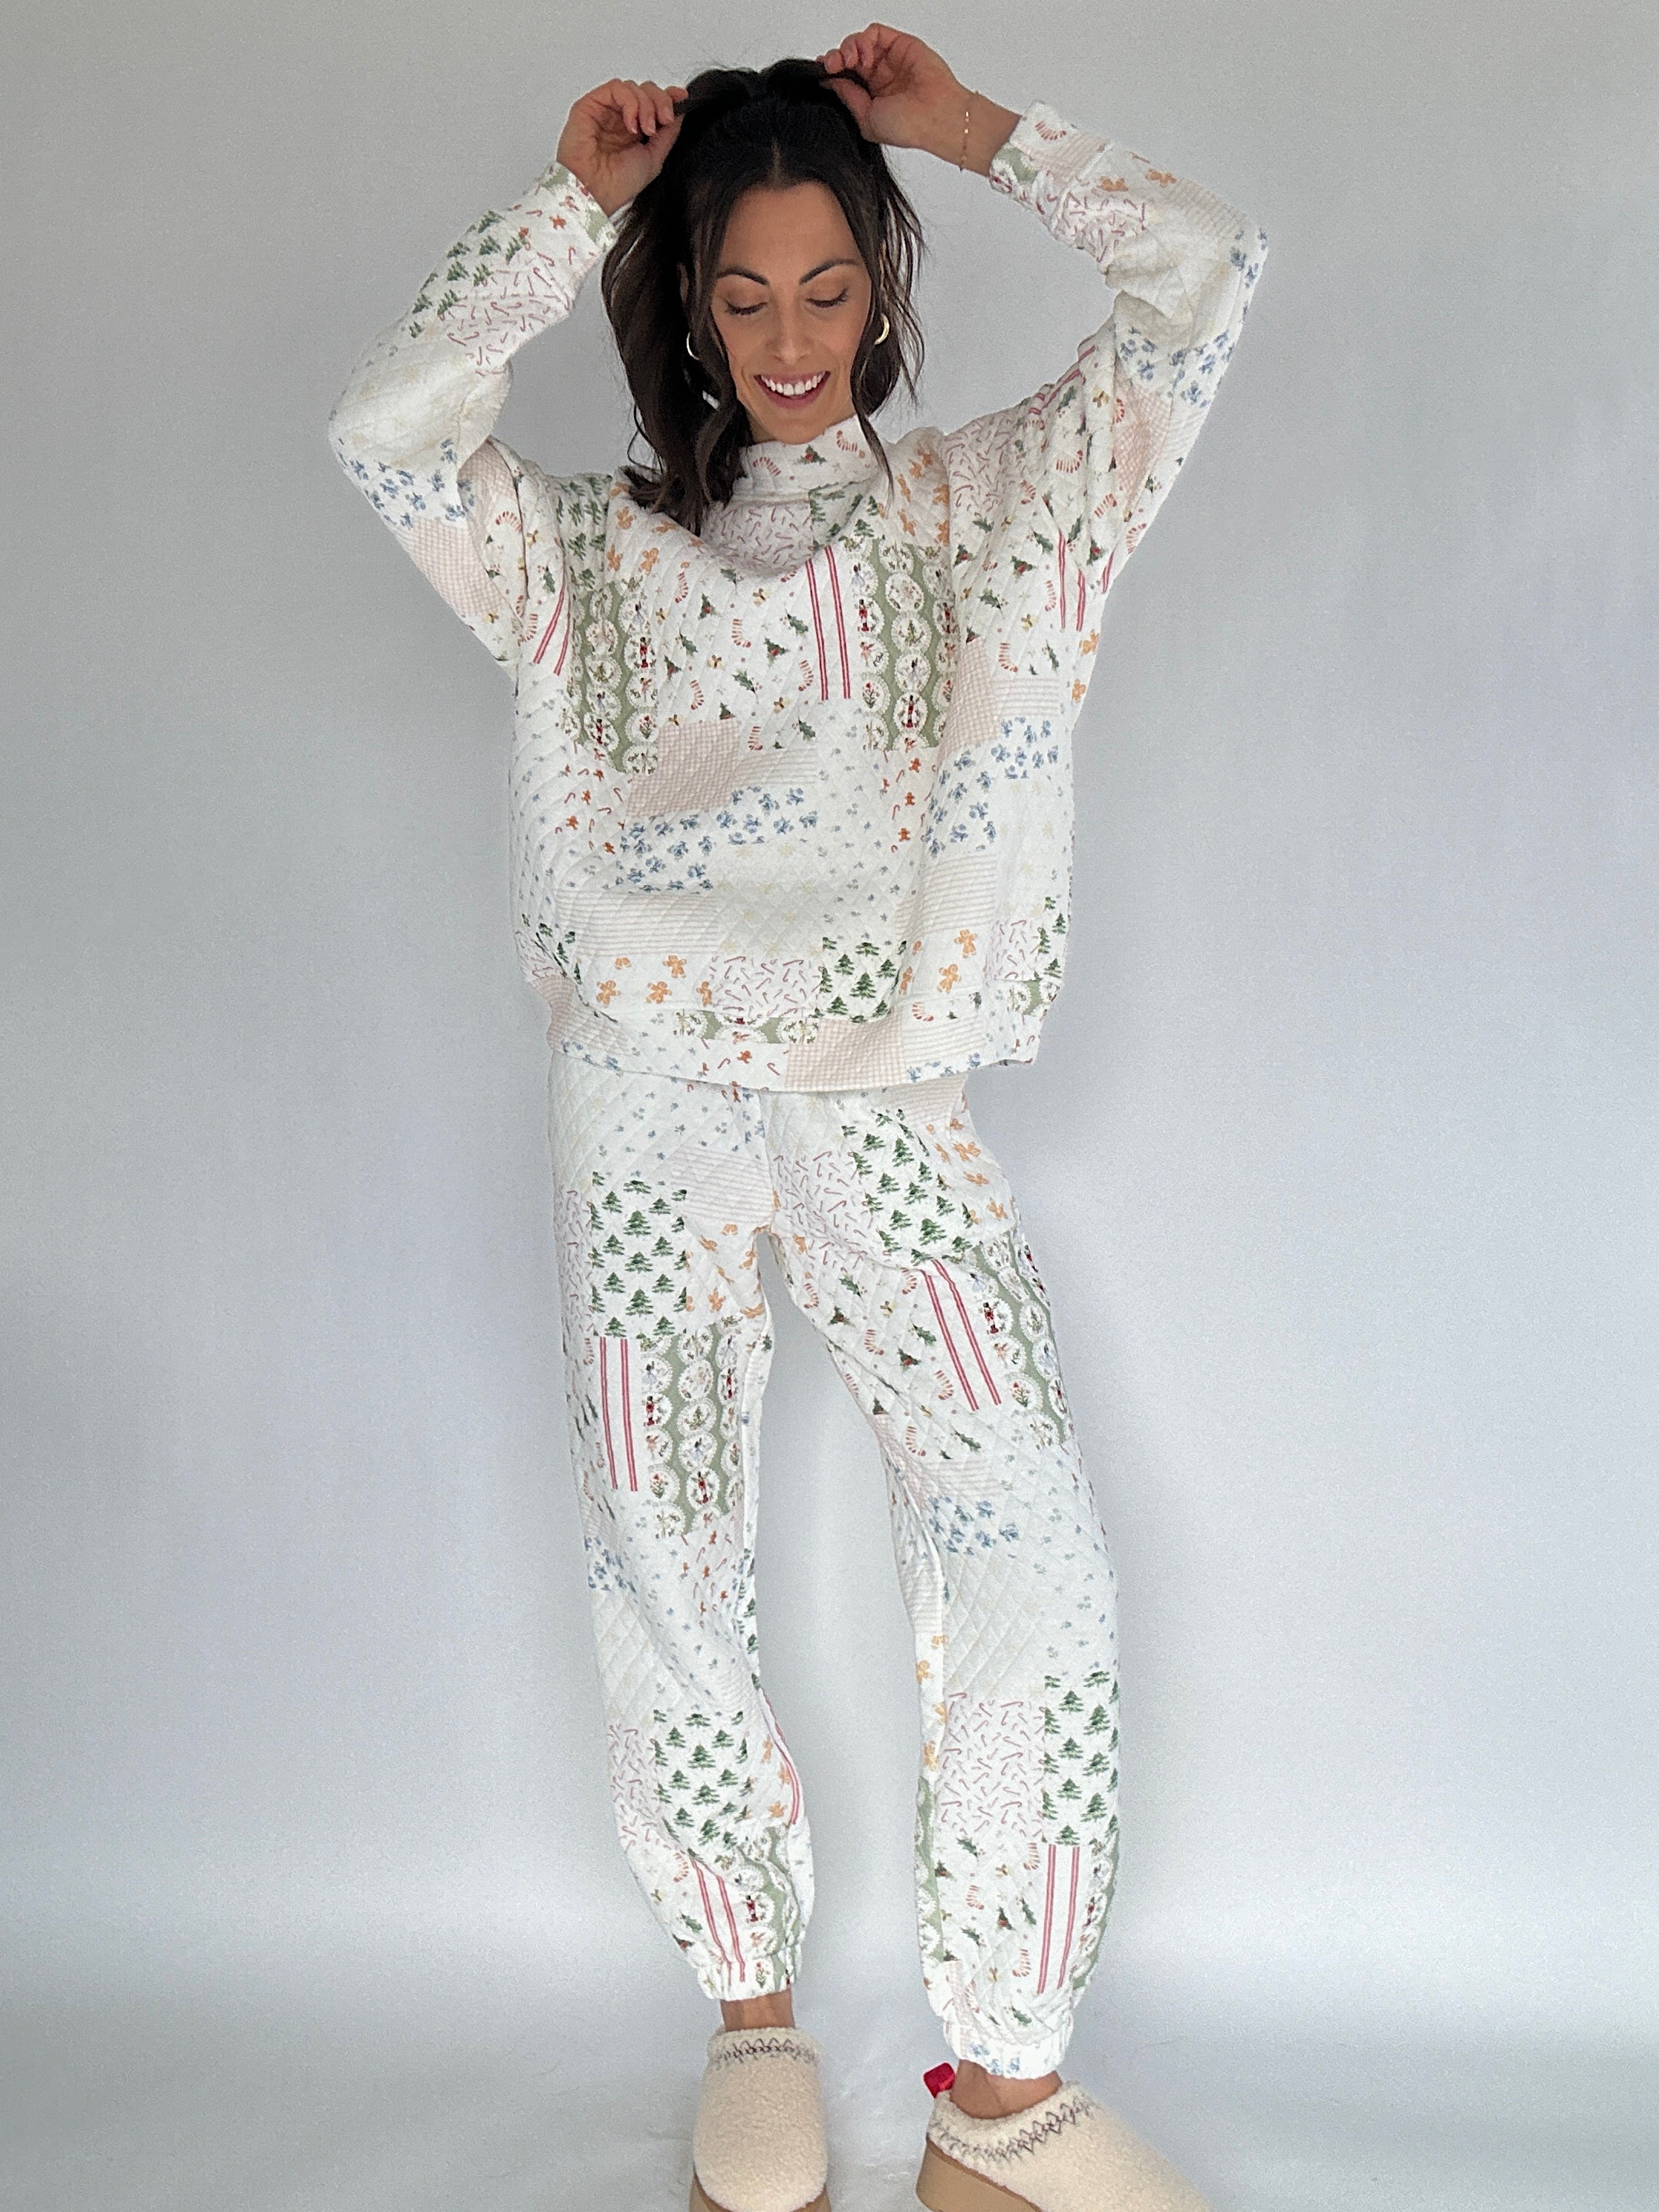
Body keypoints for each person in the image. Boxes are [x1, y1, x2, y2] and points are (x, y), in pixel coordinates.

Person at [328, 22, 1266, 2211]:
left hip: (887, 1098)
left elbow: (1205, 281)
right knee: (666, 1545)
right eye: (739, 293)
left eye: (830, 287)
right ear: (680, 304)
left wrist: (969, 129)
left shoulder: (995, 511)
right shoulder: (584, 559)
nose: (788, 338)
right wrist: (566, 207)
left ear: (884, 281)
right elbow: (388, 433)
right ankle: (750, 2020)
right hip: (646, 1088)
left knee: (1027, 1540)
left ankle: (1001, 2094)